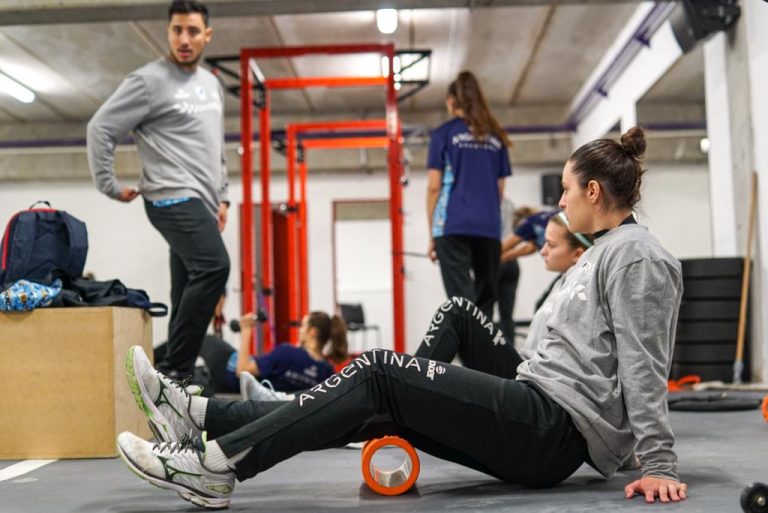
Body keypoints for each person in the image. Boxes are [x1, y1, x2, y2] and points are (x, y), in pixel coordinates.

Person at [116, 127, 688, 509]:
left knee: (381, 373)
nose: (559, 202)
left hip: (555, 430)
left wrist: (658, 461)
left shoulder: (638, 257)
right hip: (540, 404)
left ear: (593, 191)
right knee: (393, 382)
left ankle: (217, 466)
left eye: (565, 190)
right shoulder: (604, 250)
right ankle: (201, 416)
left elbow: (644, 361)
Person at [86, 0, 229, 380]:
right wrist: (108, 185)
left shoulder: (211, 85)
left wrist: (223, 196)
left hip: (202, 201)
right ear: (168, 32)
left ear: (207, 35)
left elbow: (214, 145)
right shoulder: (148, 81)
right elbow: (100, 128)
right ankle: (174, 371)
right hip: (169, 196)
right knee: (215, 267)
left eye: (193, 31)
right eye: (177, 30)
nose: (184, 39)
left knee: (186, 292)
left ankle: (172, 385)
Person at [426, 71, 512, 318]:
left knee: (461, 303)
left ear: (451, 101)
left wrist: (433, 234)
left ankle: (468, 343)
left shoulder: (443, 134)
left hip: (451, 225)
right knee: (485, 303)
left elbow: (434, 187)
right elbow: (500, 189)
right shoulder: (496, 137)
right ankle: (482, 344)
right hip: (488, 227)